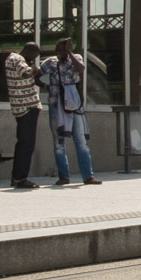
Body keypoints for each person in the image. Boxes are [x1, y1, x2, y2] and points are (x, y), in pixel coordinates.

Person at [39, 38, 100, 186]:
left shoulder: (76, 58)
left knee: (81, 142)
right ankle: (63, 176)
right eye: (58, 50)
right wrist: (46, 87)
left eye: (63, 49)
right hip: (56, 105)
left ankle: (88, 176)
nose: (60, 53)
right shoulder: (50, 62)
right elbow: (37, 76)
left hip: (74, 107)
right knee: (59, 143)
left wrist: (70, 53)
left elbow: (81, 68)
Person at [3, 43, 43, 190]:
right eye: (33, 56)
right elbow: (26, 73)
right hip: (27, 107)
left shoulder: (10, 58)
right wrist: (33, 68)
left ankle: (16, 177)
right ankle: (21, 178)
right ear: (27, 51)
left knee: (22, 143)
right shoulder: (18, 59)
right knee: (27, 145)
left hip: (20, 107)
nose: (33, 59)